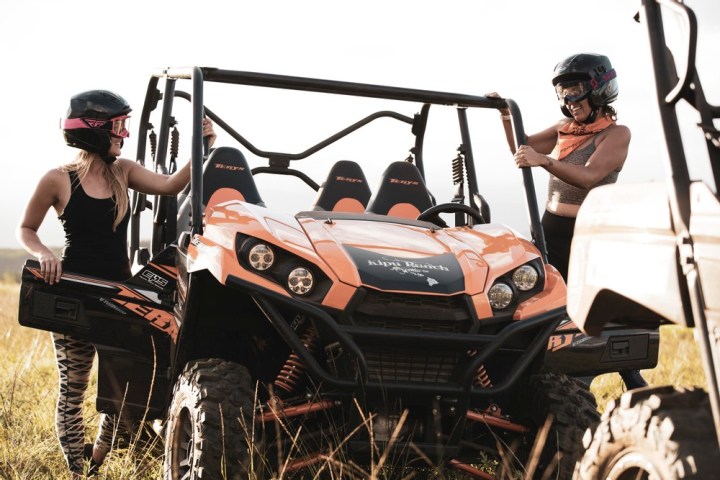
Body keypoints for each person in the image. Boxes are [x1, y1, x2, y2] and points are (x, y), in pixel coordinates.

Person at [16, 89, 216, 478]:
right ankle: (78, 471)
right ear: (93, 131)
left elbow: (173, 185)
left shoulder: (124, 170)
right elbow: (26, 229)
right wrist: (43, 253)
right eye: (117, 128)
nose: (123, 135)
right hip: (73, 295)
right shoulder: (57, 179)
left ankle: (99, 456)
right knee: (72, 392)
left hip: (120, 297)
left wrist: (202, 147)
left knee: (120, 390)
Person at [491, 52, 647, 391]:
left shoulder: (616, 134)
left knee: (586, 315)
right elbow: (524, 147)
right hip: (549, 229)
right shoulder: (566, 129)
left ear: (599, 90)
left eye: (574, 90)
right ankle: (531, 380)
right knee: (540, 306)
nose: (568, 100)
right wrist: (506, 115)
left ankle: (629, 384)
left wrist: (544, 162)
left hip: (586, 235)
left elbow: (589, 177)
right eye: (563, 93)